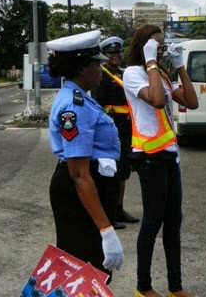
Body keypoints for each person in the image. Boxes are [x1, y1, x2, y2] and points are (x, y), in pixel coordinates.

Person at [122, 24, 199, 297]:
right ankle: (143, 287)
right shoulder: (132, 73)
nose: (162, 49)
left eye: (163, 45)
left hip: (169, 157)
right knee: (152, 222)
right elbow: (155, 100)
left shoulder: (161, 74)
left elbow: (191, 102)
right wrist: (151, 62)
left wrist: (179, 67)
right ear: (144, 47)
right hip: (149, 159)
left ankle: (175, 287)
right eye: (157, 45)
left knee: (173, 222)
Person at [47, 30, 124, 280]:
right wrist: (106, 230)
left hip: (90, 185)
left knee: (87, 271)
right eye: (96, 64)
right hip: (80, 190)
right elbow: (79, 174)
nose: (101, 70)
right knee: (85, 272)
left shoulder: (82, 98)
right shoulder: (74, 107)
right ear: (82, 69)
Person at [92, 35, 140, 230]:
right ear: (104, 55)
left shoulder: (122, 74)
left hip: (126, 128)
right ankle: (109, 214)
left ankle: (119, 209)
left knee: (123, 171)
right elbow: (98, 105)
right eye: (111, 54)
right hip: (111, 128)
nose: (115, 57)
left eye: (117, 53)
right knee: (111, 173)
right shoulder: (101, 76)